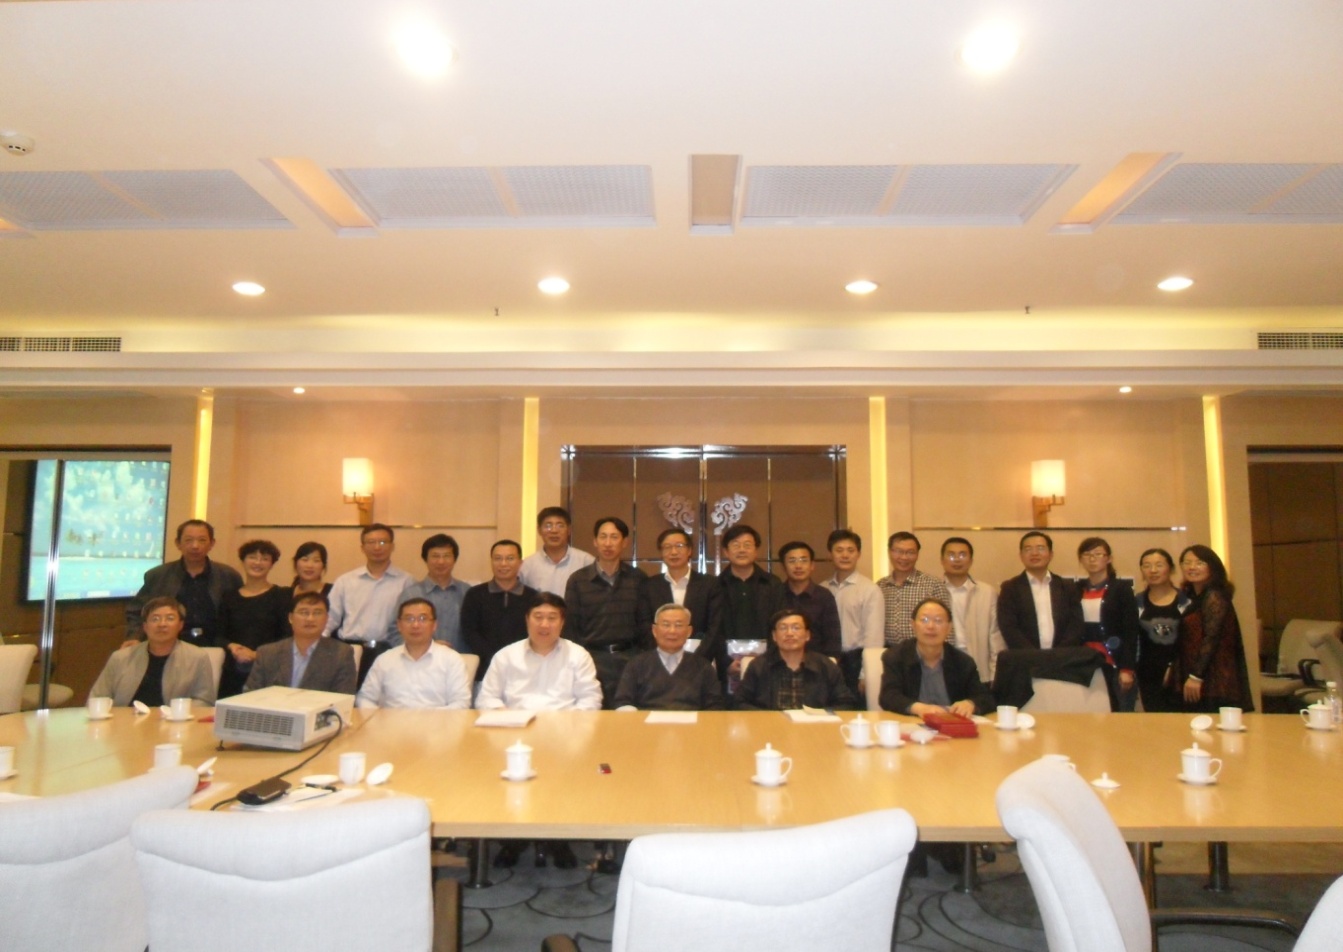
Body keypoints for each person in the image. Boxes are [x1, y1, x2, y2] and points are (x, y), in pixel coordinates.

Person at [477, 593, 600, 871]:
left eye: (552, 618)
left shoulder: (578, 655)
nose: (545, 624)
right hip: (514, 735)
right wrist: (509, 720)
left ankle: (558, 839)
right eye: (538, 617)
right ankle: (513, 839)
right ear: (527, 620)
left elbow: (590, 699)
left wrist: (567, 729)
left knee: (563, 779)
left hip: (565, 737)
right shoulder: (506, 656)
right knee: (510, 779)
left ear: (562, 622)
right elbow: (487, 698)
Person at [562, 517, 646, 708]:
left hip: (630, 659)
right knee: (594, 715)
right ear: (595, 541)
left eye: (614, 537)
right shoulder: (578, 580)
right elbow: (571, 628)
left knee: (628, 715)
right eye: (603, 537)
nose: (608, 543)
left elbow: (644, 624)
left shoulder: (638, 578)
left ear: (624, 542)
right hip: (592, 660)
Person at [124, 519, 242, 645]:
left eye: (202, 540)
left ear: (212, 543)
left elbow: (240, 615)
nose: (195, 546)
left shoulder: (228, 576)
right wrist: (134, 637)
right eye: (188, 540)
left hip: (216, 645)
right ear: (178, 543)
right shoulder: (158, 576)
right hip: (169, 645)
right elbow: (137, 611)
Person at [323, 523, 414, 686]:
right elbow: (329, 618)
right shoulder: (346, 581)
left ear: (392, 546)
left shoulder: (406, 582)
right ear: (362, 547)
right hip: (350, 650)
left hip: (388, 651)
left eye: (383, 542)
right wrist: (318, 646)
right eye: (371, 542)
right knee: (348, 694)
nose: (377, 547)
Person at [878, 598, 994, 718]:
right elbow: (888, 696)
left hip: (950, 724)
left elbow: (985, 698)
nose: (931, 626)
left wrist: (971, 704)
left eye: (938, 621)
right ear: (913, 625)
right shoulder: (896, 657)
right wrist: (919, 708)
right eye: (924, 620)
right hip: (912, 723)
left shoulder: (962, 661)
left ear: (949, 627)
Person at [1173, 545, 1254, 713]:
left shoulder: (1214, 595)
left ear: (1212, 566)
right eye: (1187, 562)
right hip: (1199, 672)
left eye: (1199, 563)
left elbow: (1211, 637)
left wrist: (1196, 676)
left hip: (1214, 677)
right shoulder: (1193, 596)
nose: (1192, 567)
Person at [92, 596, 216, 707]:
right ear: (145, 627)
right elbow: (97, 698)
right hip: (126, 721)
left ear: (180, 625)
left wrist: (175, 712)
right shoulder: (121, 657)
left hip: (174, 722)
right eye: (155, 619)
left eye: (170, 618)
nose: (162, 624)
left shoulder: (197, 657)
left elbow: (205, 701)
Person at [356, 597, 471, 709]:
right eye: (409, 619)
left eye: (422, 619)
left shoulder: (451, 660)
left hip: (437, 721)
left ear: (434, 625)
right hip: (393, 721)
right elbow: (365, 698)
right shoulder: (384, 660)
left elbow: (461, 702)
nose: (415, 625)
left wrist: (427, 718)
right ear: (399, 625)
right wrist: (378, 717)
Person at [635, 528, 722, 672]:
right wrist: (661, 659)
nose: (673, 552)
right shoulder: (649, 586)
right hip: (659, 665)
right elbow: (644, 627)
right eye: (667, 547)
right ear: (661, 552)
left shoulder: (709, 585)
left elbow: (715, 627)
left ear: (689, 551)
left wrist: (698, 660)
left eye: (679, 546)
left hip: (700, 663)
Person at [734, 610, 858, 711]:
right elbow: (739, 702)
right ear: (774, 636)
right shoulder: (759, 666)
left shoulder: (825, 666)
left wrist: (820, 716)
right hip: (771, 728)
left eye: (796, 628)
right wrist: (770, 719)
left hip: (814, 728)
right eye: (783, 628)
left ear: (807, 635)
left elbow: (845, 703)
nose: (789, 633)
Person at [215, 539, 291, 698]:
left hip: (269, 670)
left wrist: (257, 654)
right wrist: (232, 646)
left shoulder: (282, 596)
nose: (258, 562)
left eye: (265, 559)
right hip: (232, 670)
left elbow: (287, 637)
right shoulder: (229, 596)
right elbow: (217, 635)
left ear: (272, 564)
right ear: (242, 560)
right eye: (252, 557)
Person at [613, 604, 725, 710]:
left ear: (689, 631)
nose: (672, 631)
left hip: (692, 723)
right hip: (647, 723)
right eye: (666, 625)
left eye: (678, 625)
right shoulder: (637, 665)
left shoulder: (703, 667)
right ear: (654, 630)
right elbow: (623, 702)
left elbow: (715, 706)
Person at [244, 591, 357, 694]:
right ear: (291, 618)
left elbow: (344, 697)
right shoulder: (267, 653)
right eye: (304, 612)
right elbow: (250, 694)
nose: (310, 619)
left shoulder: (341, 654)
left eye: (317, 613)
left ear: (327, 618)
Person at [460, 540, 539, 688]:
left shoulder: (533, 597)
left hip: (524, 672)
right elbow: (469, 632)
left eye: (510, 558)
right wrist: (495, 658)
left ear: (520, 563)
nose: (503, 564)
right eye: (498, 558)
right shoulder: (475, 594)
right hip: (485, 673)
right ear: (491, 562)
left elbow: (536, 633)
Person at [1076, 537, 1140, 710]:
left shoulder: (1121, 589)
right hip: (1086, 662)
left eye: (1098, 554)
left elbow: (1130, 631)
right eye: (1087, 554)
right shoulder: (1076, 589)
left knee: (1119, 712)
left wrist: (1127, 668)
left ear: (1109, 558)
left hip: (1114, 661)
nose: (1092, 559)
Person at [715, 525, 787, 679]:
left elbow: (780, 625)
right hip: (726, 668)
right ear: (726, 551)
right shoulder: (715, 586)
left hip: (768, 666)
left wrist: (766, 660)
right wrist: (726, 663)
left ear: (756, 551)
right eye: (736, 545)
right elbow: (712, 629)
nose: (742, 550)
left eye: (747, 545)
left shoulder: (773, 584)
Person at [997, 531, 1085, 651]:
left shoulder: (1067, 587)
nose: (1034, 553)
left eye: (1040, 548)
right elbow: (1008, 627)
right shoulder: (1010, 588)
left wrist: (1058, 654)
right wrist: (1034, 656)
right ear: (1021, 556)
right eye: (1028, 549)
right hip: (1026, 658)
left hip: (1063, 657)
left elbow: (1076, 624)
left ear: (1051, 554)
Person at [824, 529, 886, 699]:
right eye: (839, 550)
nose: (845, 555)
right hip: (827, 661)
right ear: (830, 554)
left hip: (855, 662)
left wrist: (866, 673)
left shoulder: (870, 590)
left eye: (850, 550)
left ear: (858, 554)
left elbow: (874, 636)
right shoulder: (823, 588)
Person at [940, 537, 1005, 685]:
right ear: (942, 560)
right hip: (941, 665)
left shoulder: (987, 592)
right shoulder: (933, 591)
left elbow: (996, 637)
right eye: (951, 555)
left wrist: (995, 674)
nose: (957, 560)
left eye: (962, 555)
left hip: (977, 666)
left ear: (971, 561)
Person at [1134, 548, 1190, 712]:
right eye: (1147, 566)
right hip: (1147, 674)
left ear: (1171, 569)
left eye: (1159, 565)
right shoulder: (1137, 603)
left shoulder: (1186, 602)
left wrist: (1174, 668)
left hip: (1181, 673)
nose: (1153, 570)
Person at [878, 532, 950, 646]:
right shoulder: (880, 586)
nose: (904, 557)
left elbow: (947, 624)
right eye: (898, 551)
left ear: (917, 554)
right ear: (889, 552)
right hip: (887, 651)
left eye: (910, 552)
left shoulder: (933, 585)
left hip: (923, 650)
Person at [407, 533, 471, 652]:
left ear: (454, 559)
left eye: (446, 556)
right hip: (421, 658)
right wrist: (427, 646)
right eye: (435, 556)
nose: (441, 562)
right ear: (425, 559)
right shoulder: (411, 594)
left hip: (462, 659)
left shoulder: (468, 592)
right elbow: (396, 631)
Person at [778, 541, 842, 657]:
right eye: (792, 561)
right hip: (780, 662)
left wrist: (828, 664)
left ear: (812, 565)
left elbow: (833, 639)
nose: (798, 566)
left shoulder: (824, 596)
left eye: (803, 560)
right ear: (783, 566)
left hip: (817, 663)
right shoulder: (776, 595)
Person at [518, 506, 595, 596]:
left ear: (569, 530)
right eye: (548, 526)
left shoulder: (586, 561)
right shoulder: (527, 565)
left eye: (560, 526)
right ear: (539, 530)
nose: (554, 531)